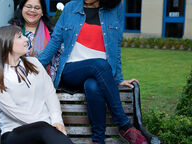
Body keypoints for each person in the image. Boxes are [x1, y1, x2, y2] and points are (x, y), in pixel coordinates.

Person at [38, 0, 148, 143]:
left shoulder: (116, 8)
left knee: (93, 86)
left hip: (99, 74)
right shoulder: (71, 7)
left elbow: (115, 46)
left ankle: (98, 140)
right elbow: (55, 40)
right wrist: (36, 66)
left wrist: (118, 78)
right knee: (99, 65)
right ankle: (124, 125)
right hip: (71, 69)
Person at [0, 25, 73, 144]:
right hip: (14, 134)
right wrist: (48, 126)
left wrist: (57, 121)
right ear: (7, 44)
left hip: (46, 131)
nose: (26, 39)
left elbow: (50, 94)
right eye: (19, 37)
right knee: (42, 129)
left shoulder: (35, 63)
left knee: (43, 130)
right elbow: (15, 112)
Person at [0, 0, 60, 89]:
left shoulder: (52, 32)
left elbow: (58, 61)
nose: (32, 10)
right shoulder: (9, 30)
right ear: (21, 9)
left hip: (43, 82)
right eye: (28, 6)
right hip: (13, 80)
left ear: (42, 12)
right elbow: (0, 56)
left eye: (37, 8)